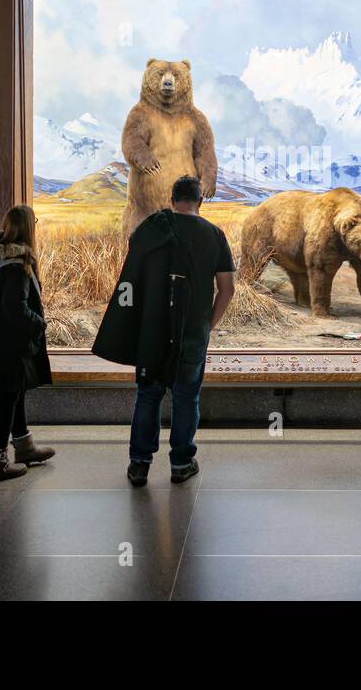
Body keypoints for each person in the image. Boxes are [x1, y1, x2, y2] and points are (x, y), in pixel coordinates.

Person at [95, 175, 235, 486]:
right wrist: (207, 325)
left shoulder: (149, 229)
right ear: (200, 201)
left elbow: (133, 277)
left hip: (152, 331)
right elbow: (227, 289)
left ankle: (139, 464)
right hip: (192, 334)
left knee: (148, 395)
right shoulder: (214, 235)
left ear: (172, 200)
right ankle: (181, 464)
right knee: (186, 397)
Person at [0, 205, 56, 484]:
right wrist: (39, 323)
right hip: (9, 345)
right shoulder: (17, 266)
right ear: (30, 228)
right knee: (7, 398)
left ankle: (24, 446)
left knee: (12, 393)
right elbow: (16, 309)